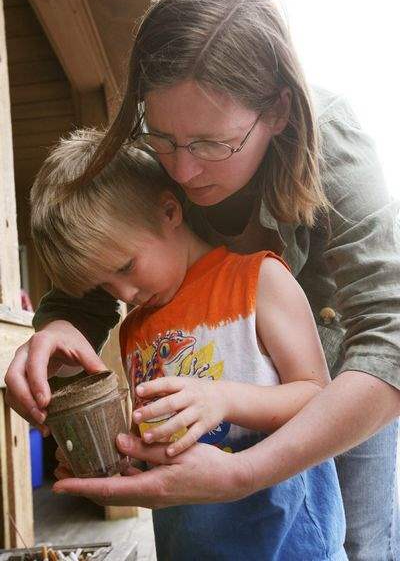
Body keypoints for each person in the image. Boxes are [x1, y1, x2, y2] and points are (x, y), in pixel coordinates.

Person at [4, 0, 400, 560]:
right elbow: (96, 268)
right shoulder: (153, 151)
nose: (182, 174)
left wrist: (242, 474)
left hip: (347, 386)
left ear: (278, 111)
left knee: (362, 542)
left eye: (213, 145)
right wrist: (58, 328)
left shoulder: (334, 144)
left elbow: (389, 338)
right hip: (211, 476)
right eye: (163, 138)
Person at [29, 128, 347, 560]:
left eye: (126, 265)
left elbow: (317, 396)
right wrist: (121, 458)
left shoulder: (259, 280)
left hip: (288, 540)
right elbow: (165, 442)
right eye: (104, 285)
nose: (123, 293)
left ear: (169, 210)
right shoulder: (134, 328)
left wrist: (223, 398)